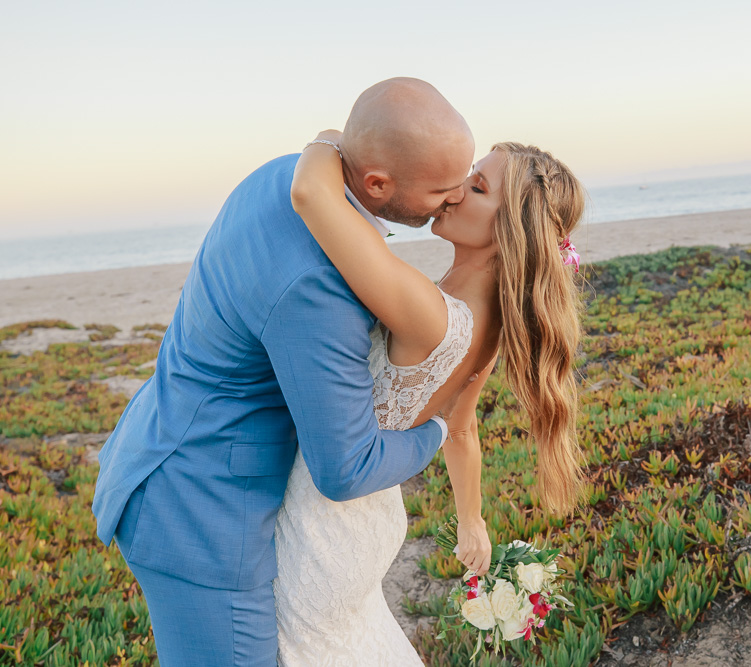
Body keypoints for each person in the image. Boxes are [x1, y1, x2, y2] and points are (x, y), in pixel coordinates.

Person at [91, 78, 475, 666]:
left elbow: (323, 147)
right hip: (200, 513)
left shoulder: (285, 174)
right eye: (442, 189)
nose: (454, 199)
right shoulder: (320, 288)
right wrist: (438, 432)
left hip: (161, 445)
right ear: (377, 184)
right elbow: (345, 469)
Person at [272, 126, 586, 664]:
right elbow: (460, 429)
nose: (457, 189)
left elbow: (310, 195)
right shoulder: (484, 326)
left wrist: (331, 141)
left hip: (321, 525)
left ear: (510, 230)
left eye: (479, 187)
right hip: (367, 522)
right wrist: (472, 520)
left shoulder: (430, 312)